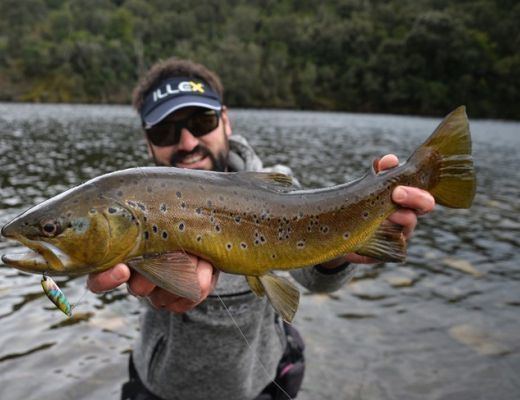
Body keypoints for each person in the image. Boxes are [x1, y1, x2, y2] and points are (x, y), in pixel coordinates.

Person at [87, 58, 435, 400]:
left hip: (263, 381)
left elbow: (316, 279)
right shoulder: (124, 203)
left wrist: (344, 248)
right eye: (165, 131)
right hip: (163, 387)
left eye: (202, 121)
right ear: (148, 141)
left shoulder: (281, 190)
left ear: (225, 120)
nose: (188, 142)